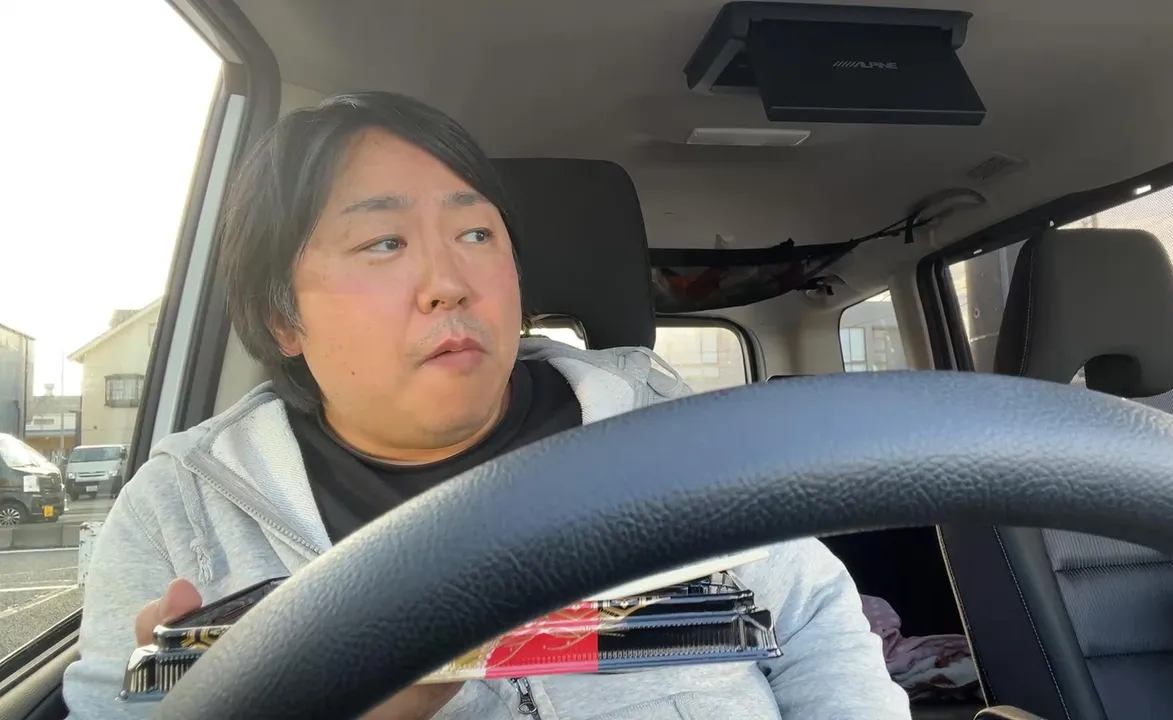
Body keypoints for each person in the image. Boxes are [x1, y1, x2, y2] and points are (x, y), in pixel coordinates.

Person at [62, 91, 911, 719]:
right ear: (283, 315)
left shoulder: (669, 432)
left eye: (476, 234)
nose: (449, 282)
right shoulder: (183, 512)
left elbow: (816, 624)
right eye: (384, 242)